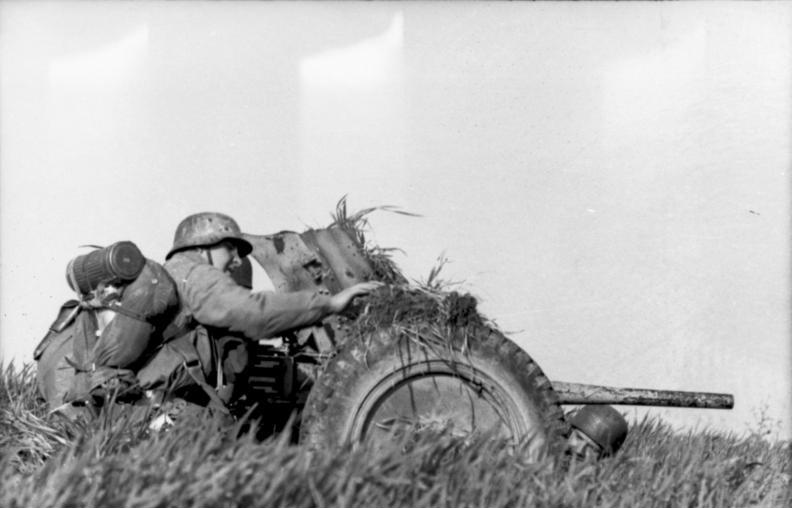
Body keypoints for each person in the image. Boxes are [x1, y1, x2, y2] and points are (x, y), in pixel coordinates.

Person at [135, 212, 380, 417]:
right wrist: (330, 304)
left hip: (155, 404)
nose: (236, 259)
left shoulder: (176, 274)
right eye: (230, 248)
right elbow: (252, 312)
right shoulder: (196, 275)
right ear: (201, 248)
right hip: (165, 409)